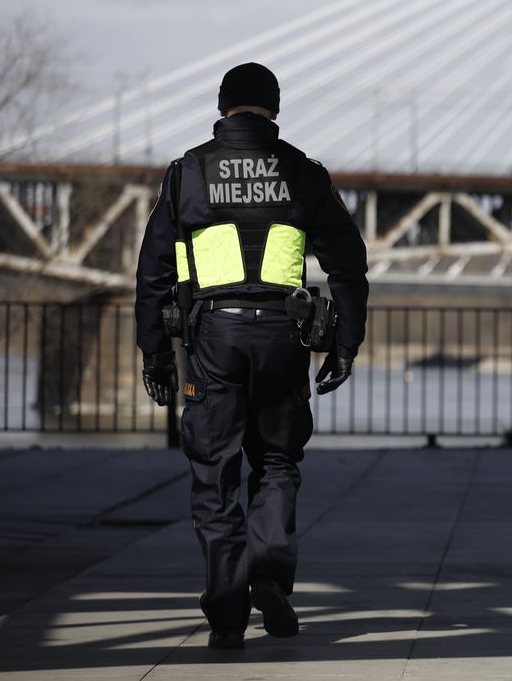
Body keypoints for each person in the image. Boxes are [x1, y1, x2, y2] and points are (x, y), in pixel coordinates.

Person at [135, 62, 369, 649]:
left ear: (222, 107)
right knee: (278, 463)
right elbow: (348, 264)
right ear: (275, 108)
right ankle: (268, 577)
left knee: (215, 475)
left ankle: (227, 612)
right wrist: (344, 343)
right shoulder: (303, 173)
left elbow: (153, 272)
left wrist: (156, 354)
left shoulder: (187, 173)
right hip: (283, 337)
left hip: (213, 336)